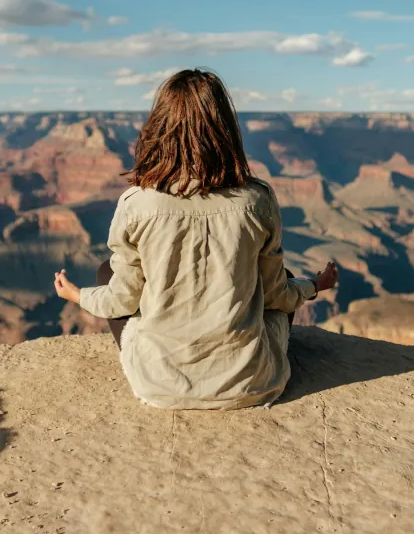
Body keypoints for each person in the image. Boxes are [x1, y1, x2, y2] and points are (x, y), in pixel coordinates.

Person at [53, 68, 339, 410]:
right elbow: (277, 295)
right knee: (285, 277)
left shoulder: (136, 203)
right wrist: (314, 285)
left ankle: (164, 366)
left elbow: (122, 301)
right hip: (251, 384)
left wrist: (77, 295)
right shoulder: (256, 199)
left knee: (106, 274)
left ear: (158, 128)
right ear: (225, 129)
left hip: (158, 386)